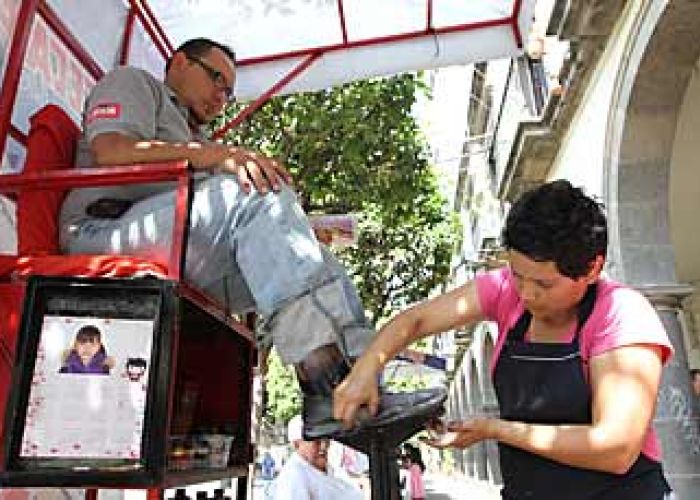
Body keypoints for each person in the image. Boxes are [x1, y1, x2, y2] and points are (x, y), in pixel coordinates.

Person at [58, 38, 444, 438]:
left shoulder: (197, 139)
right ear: (178, 63)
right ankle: (323, 381)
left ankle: (361, 386)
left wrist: (294, 233)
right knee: (257, 189)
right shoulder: (136, 83)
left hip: (180, 243)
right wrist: (217, 157)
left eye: (229, 91)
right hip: (106, 230)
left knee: (311, 254)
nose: (222, 97)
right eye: (216, 79)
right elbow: (112, 149)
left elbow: (228, 213)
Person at [334, 180, 674, 499]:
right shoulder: (504, 292)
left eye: (543, 284)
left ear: (591, 268)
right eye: (517, 275)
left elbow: (614, 449)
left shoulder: (620, 313)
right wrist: (366, 368)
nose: (526, 293)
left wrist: (496, 429)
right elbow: (417, 319)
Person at [272, 414, 363, 500]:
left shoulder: (329, 467)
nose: (324, 446)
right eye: (317, 442)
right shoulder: (293, 475)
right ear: (297, 444)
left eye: (326, 439)